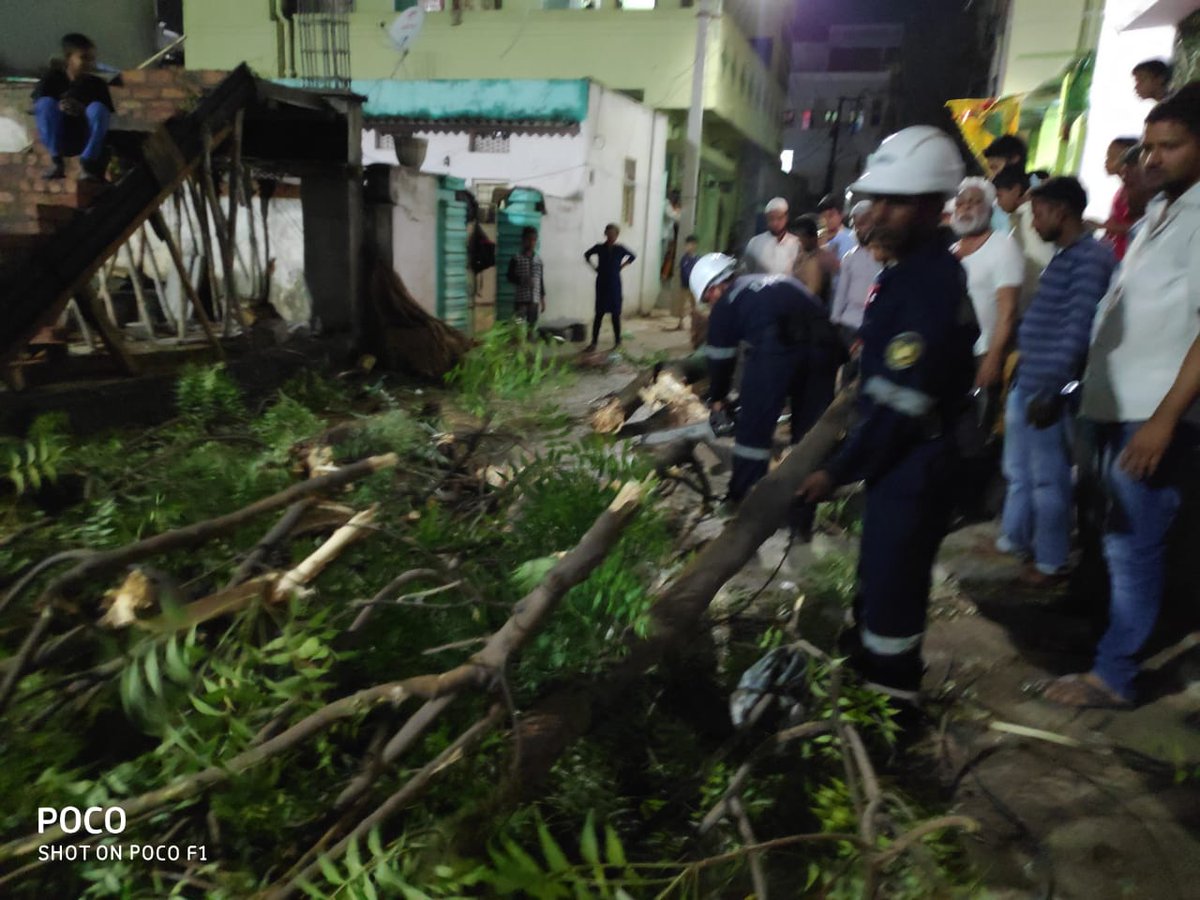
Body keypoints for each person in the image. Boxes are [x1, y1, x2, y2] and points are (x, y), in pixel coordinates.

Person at [797, 125, 979, 702]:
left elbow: (901, 406)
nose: (877, 214)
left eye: (894, 203)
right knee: (880, 571)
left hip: (916, 460)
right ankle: (868, 669)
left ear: (930, 206)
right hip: (903, 457)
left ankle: (892, 705)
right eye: (876, 200)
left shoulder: (925, 284)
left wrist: (836, 470)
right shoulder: (910, 272)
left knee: (895, 585)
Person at [1044, 86, 1200, 709]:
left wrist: (1164, 420)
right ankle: (1110, 644)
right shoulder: (1159, 213)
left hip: (1154, 412)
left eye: (1171, 146)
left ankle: (1115, 676)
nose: (1154, 158)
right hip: (1115, 405)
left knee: (1136, 544)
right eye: (1149, 146)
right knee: (1114, 537)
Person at [998, 177, 1116, 587]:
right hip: (1030, 381)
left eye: (1038, 213)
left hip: (1048, 388)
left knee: (1049, 479)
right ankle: (1016, 541)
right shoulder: (1066, 255)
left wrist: (1053, 389)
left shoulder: (1090, 260)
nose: (1033, 223)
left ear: (1061, 211)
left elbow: (1078, 330)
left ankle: (1050, 560)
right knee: (1020, 472)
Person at [693, 253, 840, 509]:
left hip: (776, 349)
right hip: (826, 348)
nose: (710, 304)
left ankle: (743, 502)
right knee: (809, 437)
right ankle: (800, 513)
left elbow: (719, 359)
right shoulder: (776, 281)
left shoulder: (727, 302)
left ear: (714, 288)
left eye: (708, 299)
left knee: (753, 429)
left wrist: (717, 399)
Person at [951, 177, 1024, 392]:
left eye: (973, 202)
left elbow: (1008, 311)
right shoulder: (951, 252)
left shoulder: (1003, 247)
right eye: (960, 203)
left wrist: (994, 357)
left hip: (982, 355)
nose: (965, 208)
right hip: (951, 353)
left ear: (990, 210)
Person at [32, 33, 114, 181]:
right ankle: (56, 162)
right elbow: (39, 109)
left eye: (91, 59)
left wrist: (83, 110)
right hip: (60, 137)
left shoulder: (97, 84)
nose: (89, 63)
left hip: (84, 137)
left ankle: (88, 164)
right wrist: (59, 107)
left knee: (98, 108)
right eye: (84, 58)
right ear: (68, 58)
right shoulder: (51, 79)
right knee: (44, 104)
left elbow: (104, 117)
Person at [993, 165, 1054, 311]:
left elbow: (1039, 259)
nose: (997, 203)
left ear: (1015, 190)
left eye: (999, 196)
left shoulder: (1028, 215)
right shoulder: (1020, 216)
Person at [829, 200, 882, 347]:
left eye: (863, 223)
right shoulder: (849, 257)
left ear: (874, 222)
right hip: (849, 323)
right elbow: (841, 293)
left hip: (874, 325)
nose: (858, 229)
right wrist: (835, 320)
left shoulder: (884, 256)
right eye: (856, 224)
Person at [584, 224, 636, 352]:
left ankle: (618, 342)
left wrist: (622, 266)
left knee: (615, 314)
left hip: (614, 284)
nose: (611, 236)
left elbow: (632, 256)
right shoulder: (599, 247)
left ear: (617, 235)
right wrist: (595, 267)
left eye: (613, 234)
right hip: (602, 283)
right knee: (599, 314)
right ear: (605, 234)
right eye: (609, 233)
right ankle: (594, 342)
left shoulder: (620, 249)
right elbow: (587, 255)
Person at [1091, 137, 1141, 259]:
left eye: (1112, 157)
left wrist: (1102, 225)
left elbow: (1139, 226)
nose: (1106, 162)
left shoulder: (1138, 194)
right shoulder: (1120, 192)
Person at [743, 197, 800, 276]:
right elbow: (747, 271)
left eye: (779, 218)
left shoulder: (796, 243)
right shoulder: (755, 243)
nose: (775, 223)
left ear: (786, 217)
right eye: (771, 218)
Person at [792, 214, 838, 307]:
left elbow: (811, 293)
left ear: (812, 237)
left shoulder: (821, 258)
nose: (798, 240)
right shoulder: (801, 257)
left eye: (801, 237)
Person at [817, 193, 856, 297]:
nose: (826, 220)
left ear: (840, 215)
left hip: (842, 293)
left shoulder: (852, 238)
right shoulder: (816, 238)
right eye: (823, 216)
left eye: (830, 215)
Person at [506, 226, 546, 329]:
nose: (531, 242)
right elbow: (509, 277)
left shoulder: (538, 260)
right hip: (521, 301)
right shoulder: (516, 258)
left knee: (531, 327)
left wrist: (542, 300)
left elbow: (540, 281)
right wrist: (522, 280)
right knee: (518, 327)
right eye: (529, 239)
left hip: (534, 301)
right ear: (523, 240)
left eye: (534, 240)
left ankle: (530, 338)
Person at [672, 234, 699, 331]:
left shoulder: (697, 259)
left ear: (695, 245)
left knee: (694, 305)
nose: (688, 247)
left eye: (690, 244)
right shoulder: (685, 258)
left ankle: (694, 324)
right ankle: (680, 323)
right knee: (682, 304)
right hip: (685, 285)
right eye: (687, 245)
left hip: (694, 286)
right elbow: (682, 270)